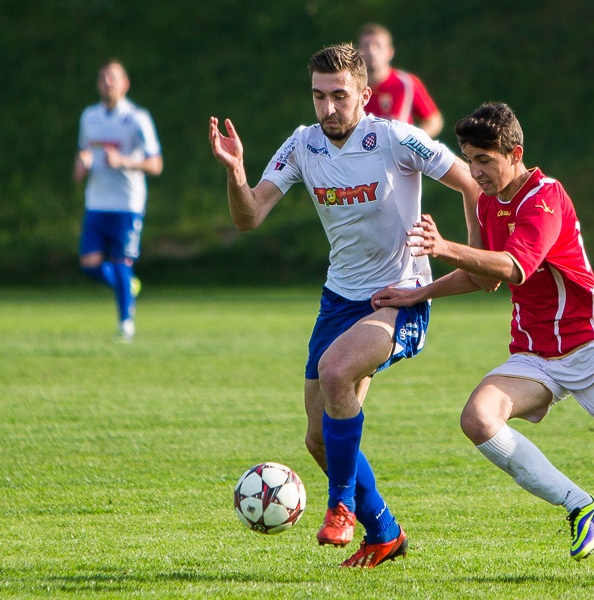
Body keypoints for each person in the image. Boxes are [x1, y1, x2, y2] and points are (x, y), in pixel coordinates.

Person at [371, 103, 594, 583]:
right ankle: (579, 505)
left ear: (515, 153)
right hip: (535, 352)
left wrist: (443, 248)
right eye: (469, 159)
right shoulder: (486, 202)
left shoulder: (546, 197)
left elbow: (515, 265)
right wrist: (418, 293)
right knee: (478, 419)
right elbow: (486, 279)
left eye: (484, 159)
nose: (475, 170)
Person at [209, 44, 480, 568]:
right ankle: (385, 532)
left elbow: (468, 180)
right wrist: (236, 172)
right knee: (318, 439)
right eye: (318, 96)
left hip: (399, 297)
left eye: (339, 96)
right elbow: (249, 216)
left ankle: (340, 507)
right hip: (339, 299)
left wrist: (466, 258)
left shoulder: (394, 138)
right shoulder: (302, 146)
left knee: (336, 372)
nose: (328, 108)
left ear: (364, 94)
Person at [73, 59, 163, 342]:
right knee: (89, 264)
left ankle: (126, 324)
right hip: (97, 201)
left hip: (127, 203)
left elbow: (156, 164)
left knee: (122, 262)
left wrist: (123, 161)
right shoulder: (89, 117)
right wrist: (81, 164)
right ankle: (128, 286)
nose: (107, 83)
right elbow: (84, 152)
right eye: (102, 78)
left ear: (125, 84)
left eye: (113, 78)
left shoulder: (137, 118)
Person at [358, 23, 443, 138]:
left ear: (390, 52)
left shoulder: (406, 83)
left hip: (399, 155)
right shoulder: (352, 86)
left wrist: (412, 142)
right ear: (358, 52)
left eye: (378, 46)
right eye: (366, 46)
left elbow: (434, 121)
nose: (372, 51)